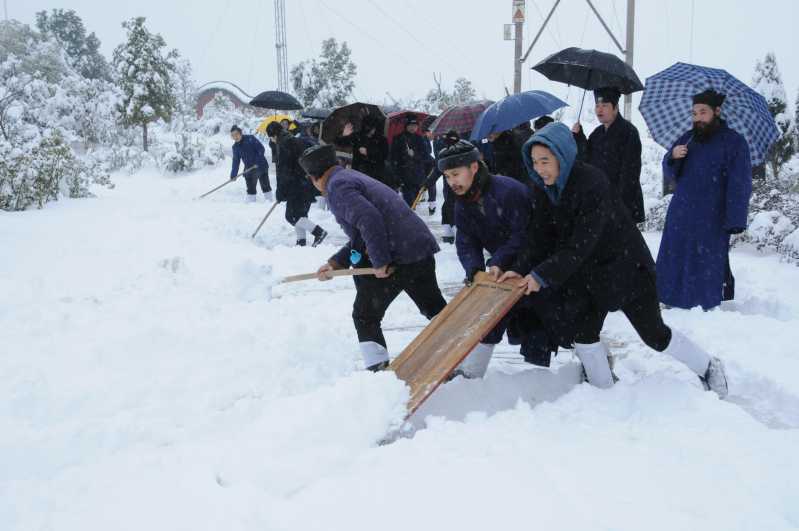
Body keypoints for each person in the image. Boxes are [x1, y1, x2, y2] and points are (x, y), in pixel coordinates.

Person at [497, 122, 729, 397]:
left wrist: (541, 275)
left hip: (626, 269)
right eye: (534, 162)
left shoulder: (592, 184)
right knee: (583, 335)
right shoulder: (545, 190)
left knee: (654, 335)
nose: (539, 168)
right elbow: (538, 238)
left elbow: (580, 244)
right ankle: (604, 392)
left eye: (545, 161)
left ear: (562, 155)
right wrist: (519, 269)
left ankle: (708, 367)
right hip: (588, 275)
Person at [301, 144, 447, 371]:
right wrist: (335, 263)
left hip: (399, 256)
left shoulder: (337, 187)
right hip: (418, 248)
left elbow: (369, 220)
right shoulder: (349, 177)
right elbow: (361, 234)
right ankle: (466, 357)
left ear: (314, 178)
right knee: (435, 309)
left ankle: (377, 374)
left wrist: (380, 261)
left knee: (365, 316)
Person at [439, 140, 565, 375]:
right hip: (505, 268)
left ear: (474, 167)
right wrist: (474, 269)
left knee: (554, 321)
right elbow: (466, 241)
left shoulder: (508, 191)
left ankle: (574, 372)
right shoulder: (463, 203)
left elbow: (524, 235)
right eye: (447, 177)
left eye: (455, 174)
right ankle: (472, 375)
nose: (452, 182)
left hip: (536, 262)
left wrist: (497, 261)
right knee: (490, 319)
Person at [657, 89, 752, 311]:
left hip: (712, 215)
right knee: (675, 257)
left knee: (706, 262)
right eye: (694, 113)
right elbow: (670, 173)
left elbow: (740, 183)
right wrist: (672, 157)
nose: (697, 118)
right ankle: (669, 299)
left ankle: (703, 307)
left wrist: (735, 219)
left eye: (702, 112)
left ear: (716, 111)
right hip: (681, 211)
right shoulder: (688, 139)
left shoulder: (734, 142)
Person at [572, 87, 645, 223]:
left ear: (615, 108)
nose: (599, 110)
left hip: (621, 203)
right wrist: (579, 137)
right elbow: (586, 160)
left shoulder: (628, 132)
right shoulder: (597, 133)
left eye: (604, 106)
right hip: (600, 200)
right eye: (597, 106)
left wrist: (617, 204)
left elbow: (630, 173)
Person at [265, 122, 328, 247]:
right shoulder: (293, 140)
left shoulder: (284, 145)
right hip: (306, 183)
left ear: (274, 135)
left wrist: (280, 192)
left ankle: (319, 232)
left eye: (271, 136)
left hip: (297, 186)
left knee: (291, 216)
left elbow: (284, 172)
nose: (271, 139)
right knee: (301, 214)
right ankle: (301, 242)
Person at [424, 130, 462, 243]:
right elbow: (437, 170)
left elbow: (437, 170)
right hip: (450, 187)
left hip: (460, 186)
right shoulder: (445, 154)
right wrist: (428, 182)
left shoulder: (463, 153)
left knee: (455, 208)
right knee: (447, 208)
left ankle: (458, 233)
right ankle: (449, 233)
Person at [390, 113, 434, 206]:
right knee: (409, 201)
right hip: (404, 175)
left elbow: (426, 156)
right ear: (406, 126)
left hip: (418, 175)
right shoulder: (398, 138)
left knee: (415, 201)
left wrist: (415, 155)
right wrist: (396, 174)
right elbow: (393, 157)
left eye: (415, 126)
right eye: (411, 125)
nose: (413, 128)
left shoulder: (420, 139)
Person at [336, 116, 389, 185]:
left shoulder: (382, 139)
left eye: (373, 128)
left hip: (375, 175)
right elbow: (340, 143)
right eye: (369, 128)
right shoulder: (357, 136)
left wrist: (368, 152)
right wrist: (344, 135)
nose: (372, 131)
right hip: (359, 173)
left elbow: (384, 155)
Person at [229, 125, 272, 202]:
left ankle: (269, 200)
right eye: (233, 135)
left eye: (236, 134)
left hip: (261, 165)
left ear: (240, 133)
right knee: (250, 186)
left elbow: (261, 149)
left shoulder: (250, 138)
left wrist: (256, 162)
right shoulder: (235, 147)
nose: (235, 137)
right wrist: (233, 174)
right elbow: (236, 161)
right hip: (249, 168)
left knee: (265, 185)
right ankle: (251, 202)